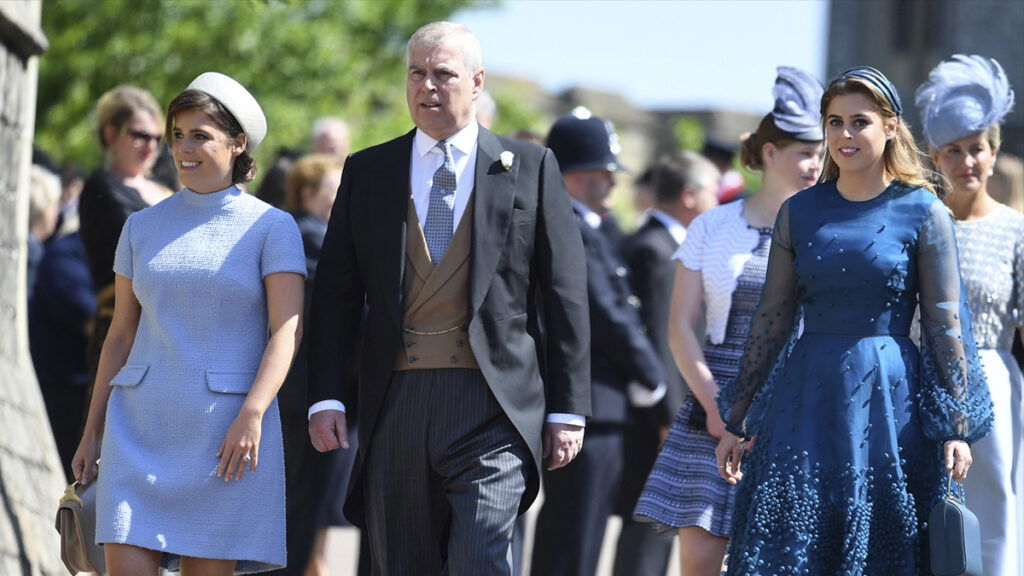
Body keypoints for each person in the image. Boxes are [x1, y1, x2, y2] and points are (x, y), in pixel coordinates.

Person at [306, 22, 590, 574]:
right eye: (417, 73)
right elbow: (336, 294)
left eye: (444, 74)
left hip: (495, 403)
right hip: (396, 400)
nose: (427, 87)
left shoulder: (529, 168)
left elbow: (565, 295)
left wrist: (568, 409)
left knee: (480, 556)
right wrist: (327, 396)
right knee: (403, 562)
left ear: (477, 82)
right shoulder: (368, 171)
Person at [714, 66, 993, 575]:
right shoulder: (797, 212)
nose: (845, 134)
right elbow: (772, 319)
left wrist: (956, 424)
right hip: (806, 399)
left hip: (891, 403)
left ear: (889, 128)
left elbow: (945, 324)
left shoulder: (923, 211)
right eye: (835, 122)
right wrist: (738, 418)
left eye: (859, 122)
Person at [71, 72, 306, 575]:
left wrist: (254, 413)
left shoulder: (272, 226)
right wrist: (91, 431)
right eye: (178, 135)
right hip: (136, 431)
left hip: (223, 438)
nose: (183, 148)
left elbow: (286, 331)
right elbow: (119, 336)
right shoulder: (140, 225)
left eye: (200, 135)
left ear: (238, 143)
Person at [634, 66, 823, 576]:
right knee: (698, 558)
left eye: (819, 152)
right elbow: (679, 328)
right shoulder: (713, 226)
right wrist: (719, 411)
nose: (815, 163)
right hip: (711, 401)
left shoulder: (828, 232)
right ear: (768, 153)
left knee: (782, 560)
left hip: (793, 407)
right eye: (805, 151)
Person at [530, 108, 666, 576]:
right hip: (589, 401)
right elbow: (606, 312)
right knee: (574, 534)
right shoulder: (569, 223)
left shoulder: (591, 226)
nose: (612, 184)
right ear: (577, 175)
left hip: (599, 402)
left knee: (580, 533)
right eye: (604, 174)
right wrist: (653, 376)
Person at [917, 54, 1023, 576]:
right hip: (921, 376)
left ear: (993, 152)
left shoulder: (1014, 230)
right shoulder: (918, 224)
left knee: (994, 507)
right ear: (936, 158)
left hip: (995, 382)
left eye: (976, 149)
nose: (966, 162)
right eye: (953, 150)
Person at [615, 150, 720, 576]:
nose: (719, 200)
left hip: (664, 409)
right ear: (690, 196)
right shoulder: (658, 250)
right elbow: (663, 340)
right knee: (650, 527)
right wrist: (669, 418)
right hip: (658, 416)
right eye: (713, 191)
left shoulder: (664, 244)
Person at [78, 86, 172, 382]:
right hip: (122, 324)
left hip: (171, 324)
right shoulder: (101, 187)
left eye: (157, 138)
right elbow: (140, 246)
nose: (150, 146)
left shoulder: (168, 189)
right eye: (139, 135)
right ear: (110, 134)